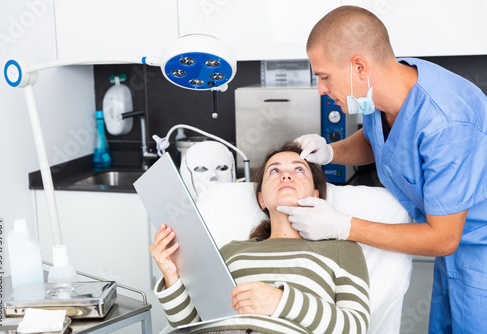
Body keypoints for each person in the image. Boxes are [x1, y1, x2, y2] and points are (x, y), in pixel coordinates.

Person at [276, 5, 487, 333]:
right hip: (456, 249)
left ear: (358, 66)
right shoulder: (381, 91)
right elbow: (378, 139)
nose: (321, 89)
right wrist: (331, 152)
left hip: (479, 251)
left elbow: (444, 238)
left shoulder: (446, 123)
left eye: (324, 76)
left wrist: (343, 226)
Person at [150, 142, 370, 334]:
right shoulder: (231, 251)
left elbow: (354, 327)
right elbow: (189, 324)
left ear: (316, 195)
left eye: (299, 170)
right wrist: (171, 275)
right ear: (262, 199)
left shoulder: (342, 249)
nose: (286, 175)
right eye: (274, 171)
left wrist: (281, 302)